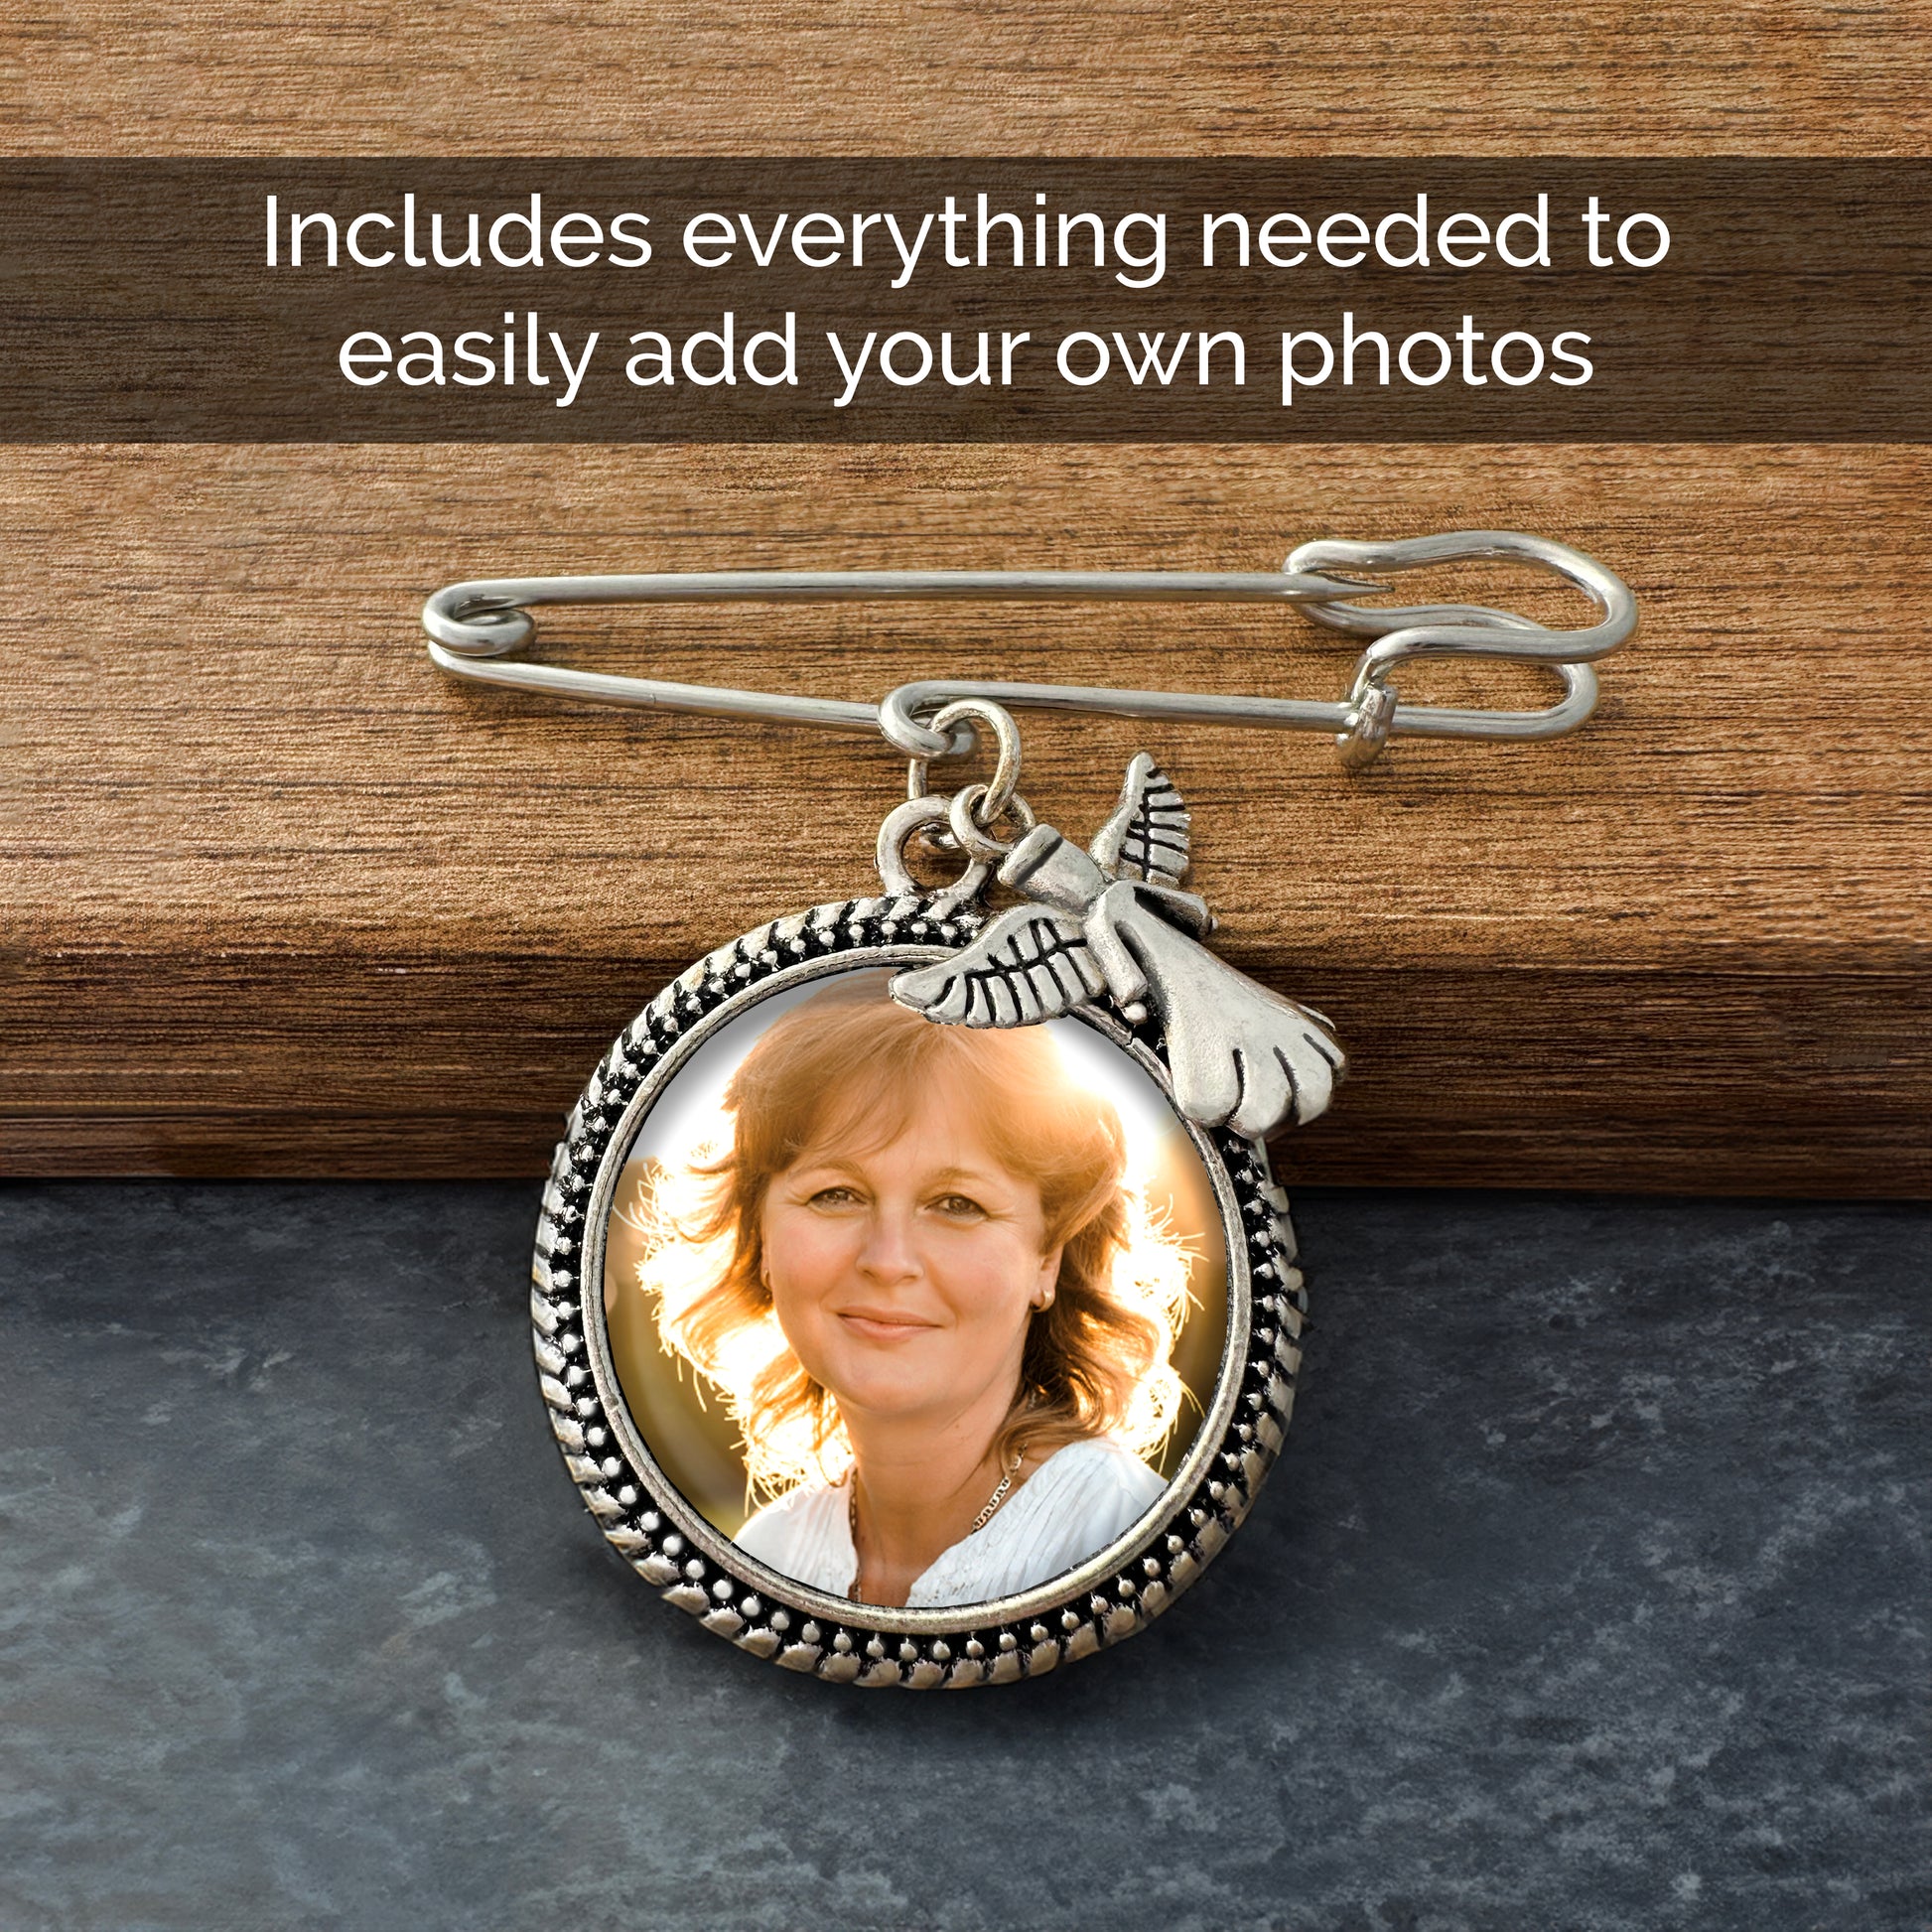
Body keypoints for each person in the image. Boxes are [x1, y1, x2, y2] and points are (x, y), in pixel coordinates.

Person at [627, 974, 1192, 1609]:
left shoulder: (1123, 1538)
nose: (888, 1261)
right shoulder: (769, 1553)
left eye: (957, 1204)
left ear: (1047, 1258)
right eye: (835, 1194)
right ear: (760, 1234)